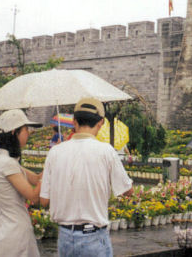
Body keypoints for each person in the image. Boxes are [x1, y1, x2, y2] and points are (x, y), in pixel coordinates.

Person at [40, 97, 133, 257]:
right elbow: (127, 191)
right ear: (101, 123)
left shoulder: (55, 152)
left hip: (65, 238)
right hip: (95, 238)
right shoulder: (106, 151)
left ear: (74, 122)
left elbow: (44, 201)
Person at [0, 109, 43, 257]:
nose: (28, 133)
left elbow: (36, 179)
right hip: (13, 234)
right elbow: (34, 196)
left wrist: (54, 160)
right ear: (14, 132)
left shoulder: (2, 160)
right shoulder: (7, 164)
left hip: (2, 230)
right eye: (25, 129)